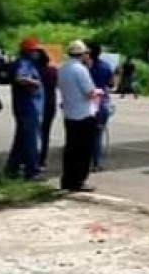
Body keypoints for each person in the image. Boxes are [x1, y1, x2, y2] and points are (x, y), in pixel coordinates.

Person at [58, 40, 101, 192]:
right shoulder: (80, 70)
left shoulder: (62, 68)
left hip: (69, 112)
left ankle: (67, 180)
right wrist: (98, 92)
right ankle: (79, 180)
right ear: (82, 54)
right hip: (83, 114)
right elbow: (89, 92)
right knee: (83, 150)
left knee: (71, 149)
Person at [5, 37, 44, 180]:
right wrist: (35, 83)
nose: (37, 53)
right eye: (34, 51)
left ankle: (12, 168)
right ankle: (31, 171)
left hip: (27, 107)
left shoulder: (27, 63)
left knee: (21, 139)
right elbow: (20, 78)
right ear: (27, 51)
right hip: (28, 107)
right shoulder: (24, 63)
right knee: (30, 141)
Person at [88, 42, 114, 171]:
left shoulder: (84, 67)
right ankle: (96, 163)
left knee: (84, 133)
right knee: (97, 134)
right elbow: (111, 84)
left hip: (87, 101)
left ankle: (85, 161)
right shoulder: (105, 66)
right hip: (101, 101)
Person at [36, 48, 59, 170]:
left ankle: (33, 158)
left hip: (37, 104)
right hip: (50, 104)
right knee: (45, 133)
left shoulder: (34, 72)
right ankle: (42, 159)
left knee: (34, 133)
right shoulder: (53, 71)